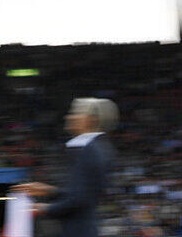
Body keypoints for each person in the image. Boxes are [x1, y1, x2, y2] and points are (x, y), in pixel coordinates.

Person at [13, 97, 118, 237]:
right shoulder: (97, 146)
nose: (69, 117)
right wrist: (49, 190)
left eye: (75, 113)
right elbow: (81, 193)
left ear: (90, 120)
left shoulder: (90, 149)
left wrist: (45, 208)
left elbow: (80, 200)